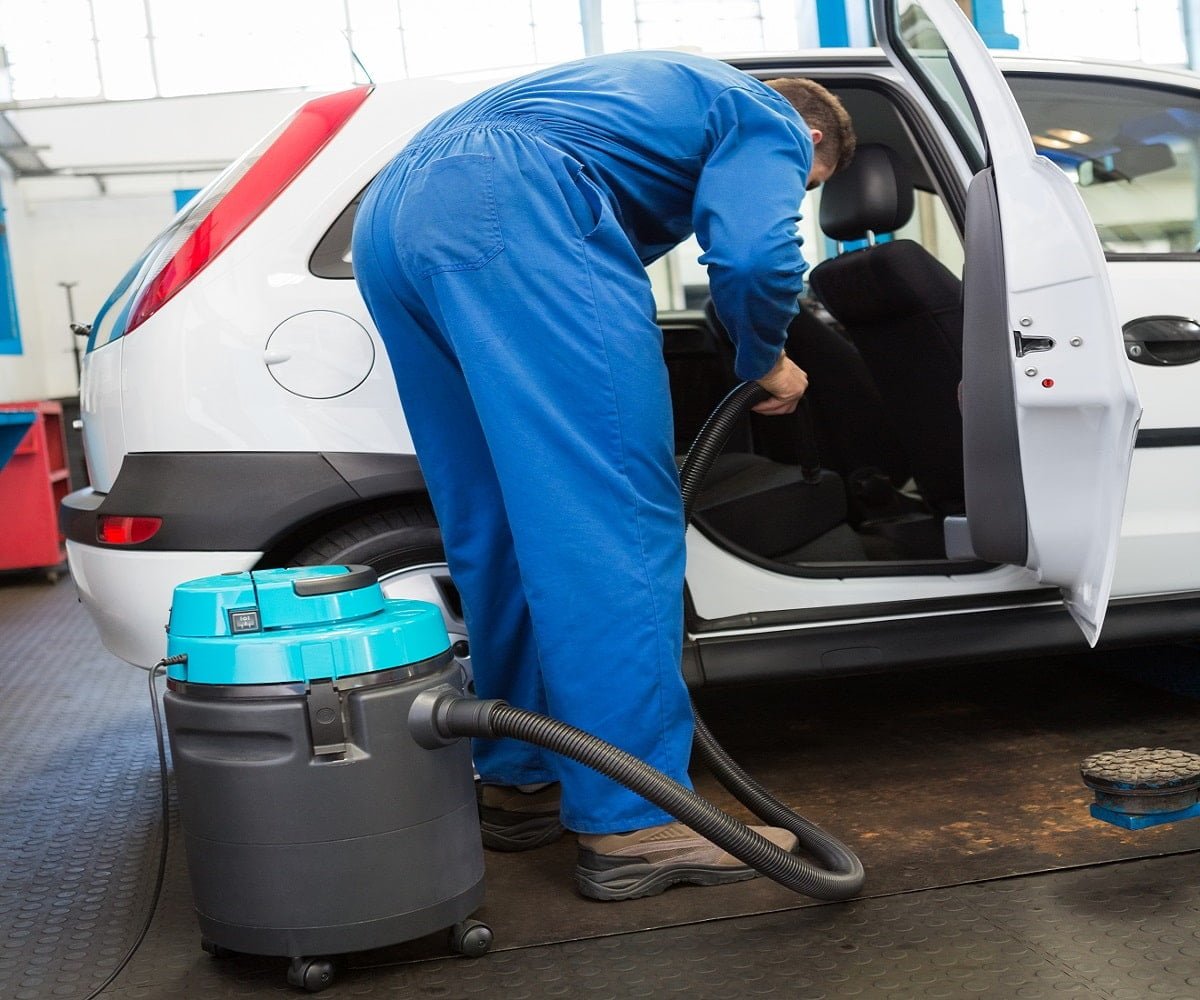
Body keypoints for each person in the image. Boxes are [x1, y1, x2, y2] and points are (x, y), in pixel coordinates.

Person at [351, 50, 856, 901]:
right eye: (804, 185)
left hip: (392, 216)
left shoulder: (637, 93)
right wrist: (763, 355)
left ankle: (518, 777)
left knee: (503, 525)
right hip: (515, 201)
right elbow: (755, 260)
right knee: (607, 520)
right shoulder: (767, 118)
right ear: (809, 137)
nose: (789, 193)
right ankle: (636, 823)